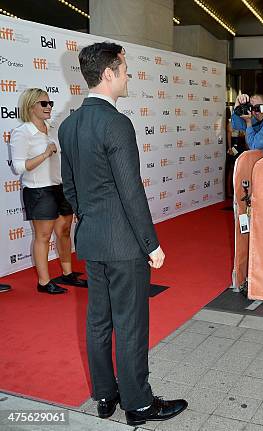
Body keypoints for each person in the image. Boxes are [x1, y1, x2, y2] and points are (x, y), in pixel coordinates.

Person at [58, 42, 187, 425]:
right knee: (130, 324)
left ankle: (105, 395)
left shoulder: (69, 124)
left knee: (98, 321)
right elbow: (131, 191)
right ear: (109, 73)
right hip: (124, 243)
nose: (129, 76)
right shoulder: (116, 122)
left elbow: (70, 188)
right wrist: (152, 243)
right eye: (125, 69)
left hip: (93, 240)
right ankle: (140, 404)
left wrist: (92, 218)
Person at [9, 88, 86, 294]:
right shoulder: (22, 132)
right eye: (44, 103)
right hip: (38, 190)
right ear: (30, 106)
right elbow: (18, 167)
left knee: (64, 231)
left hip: (60, 187)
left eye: (50, 103)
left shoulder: (52, 129)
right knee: (43, 236)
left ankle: (67, 273)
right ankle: (43, 282)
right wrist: (45, 154)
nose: (49, 106)